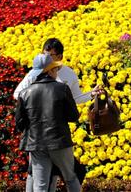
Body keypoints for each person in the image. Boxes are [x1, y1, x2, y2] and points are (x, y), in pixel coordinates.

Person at [14, 38, 103, 191]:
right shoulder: (38, 78)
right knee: (59, 177)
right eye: (45, 54)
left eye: (51, 55)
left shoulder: (68, 75)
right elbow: (73, 115)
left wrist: (91, 94)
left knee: (44, 180)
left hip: (37, 139)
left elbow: (76, 98)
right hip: (55, 138)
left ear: (60, 57)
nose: (48, 58)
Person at [15, 54, 81, 192]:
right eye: (55, 69)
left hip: (37, 144)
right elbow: (73, 116)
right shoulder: (62, 89)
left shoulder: (25, 93)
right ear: (49, 71)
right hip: (60, 142)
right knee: (70, 178)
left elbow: (20, 123)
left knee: (40, 185)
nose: (57, 72)